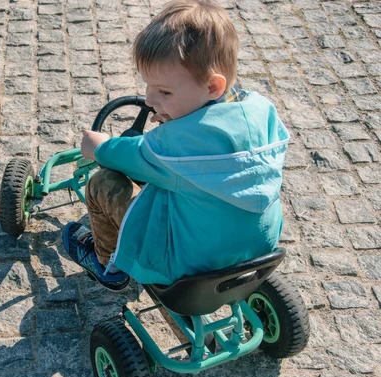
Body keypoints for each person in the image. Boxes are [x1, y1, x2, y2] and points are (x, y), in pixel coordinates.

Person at [62, 0, 289, 291]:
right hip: (259, 247)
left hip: (186, 263)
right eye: (149, 87)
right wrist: (172, 113)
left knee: (102, 183)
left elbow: (134, 155)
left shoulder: (173, 146)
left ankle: (107, 263)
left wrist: (99, 148)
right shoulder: (262, 113)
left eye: (164, 92)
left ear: (211, 87)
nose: (149, 100)